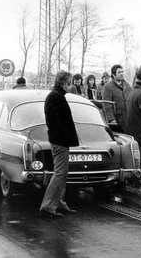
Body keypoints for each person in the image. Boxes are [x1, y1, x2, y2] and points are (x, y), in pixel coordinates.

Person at [40, 70, 79, 218]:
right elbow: (54, 122)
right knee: (60, 173)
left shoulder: (57, 95)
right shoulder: (55, 97)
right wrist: (66, 135)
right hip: (59, 140)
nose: (71, 86)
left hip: (60, 140)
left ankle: (58, 202)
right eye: (69, 83)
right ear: (63, 83)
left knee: (62, 174)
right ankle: (48, 206)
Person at [101, 65, 132, 133]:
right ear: (113, 75)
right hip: (117, 121)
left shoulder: (127, 85)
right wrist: (111, 120)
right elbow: (106, 104)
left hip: (128, 120)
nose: (122, 74)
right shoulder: (107, 87)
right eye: (119, 72)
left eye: (122, 72)